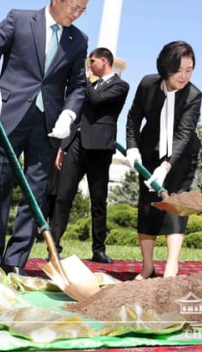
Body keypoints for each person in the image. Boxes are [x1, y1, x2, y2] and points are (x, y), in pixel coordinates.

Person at [0, 0, 90, 276]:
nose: (76, 14)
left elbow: (78, 86)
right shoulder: (19, 19)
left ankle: (14, 263)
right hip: (8, 115)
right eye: (74, 7)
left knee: (35, 193)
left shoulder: (78, 40)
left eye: (82, 10)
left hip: (48, 125)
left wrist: (68, 115)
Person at [125, 41, 202, 279]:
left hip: (181, 157)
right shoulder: (148, 84)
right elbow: (133, 117)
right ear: (165, 67)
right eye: (178, 70)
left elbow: (183, 134)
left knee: (176, 207)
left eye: (189, 70)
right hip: (148, 152)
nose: (184, 75)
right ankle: (147, 266)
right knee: (147, 207)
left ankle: (171, 266)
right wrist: (132, 148)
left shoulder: (193, 95)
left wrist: (166, 166)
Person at [50, 47, 129, 264]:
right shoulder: (90, 85)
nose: (90, 65)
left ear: (104, 61)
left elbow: (96, 100)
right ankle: (54, 246)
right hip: (76, 144)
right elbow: (76, 118)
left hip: (100, 148)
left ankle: (98, 249)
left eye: (92, 62)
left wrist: (83, 78)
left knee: (98, 200)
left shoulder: (120, 86)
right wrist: (63, 147)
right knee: (63, 196)